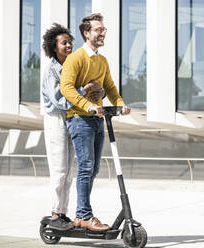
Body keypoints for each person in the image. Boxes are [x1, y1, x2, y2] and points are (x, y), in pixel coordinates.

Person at [60, 13, 131, 231]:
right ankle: (83, 215)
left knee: (94, 168)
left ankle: (83, 214)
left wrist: (120, 103)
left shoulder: (101, 60)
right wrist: (88, 105)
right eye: (98, 30)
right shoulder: (76, 58)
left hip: (98, 119)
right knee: (86, 167)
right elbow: (67, 88)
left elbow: (109, 86)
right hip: (80, 118)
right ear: (86, 32)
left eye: (103, 29)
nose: (103, 33)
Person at [41, 23, 105, 231]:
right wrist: (83, 90)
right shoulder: (52, 70)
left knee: (71, 170)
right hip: (57, 118)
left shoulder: (72, 64)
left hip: (73, 116)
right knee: (60, 168)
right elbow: (60, 99)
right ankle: (56, 213)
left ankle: (63, 213)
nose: (69, 46)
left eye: (69, 42)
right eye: (63, 43)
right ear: (53, 47)